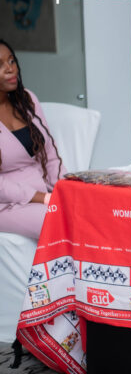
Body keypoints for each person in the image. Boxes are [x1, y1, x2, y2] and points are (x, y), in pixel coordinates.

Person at [0, 39, 65, 239]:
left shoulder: (26, 99)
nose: (10, 69)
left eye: (12, 61)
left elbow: (50, 154)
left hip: (42, 191)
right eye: (0, 65)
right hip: (6, 203)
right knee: (59, 221)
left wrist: (63, 189)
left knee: (85, 207)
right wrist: (42, 198)